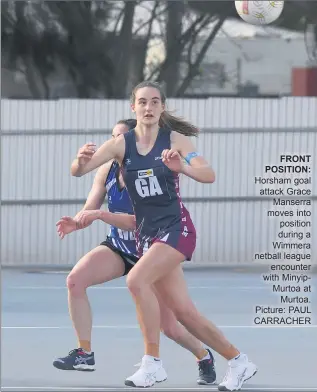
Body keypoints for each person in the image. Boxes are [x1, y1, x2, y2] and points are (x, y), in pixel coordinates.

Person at [70, 82, 258, 391]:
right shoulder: (121, 144)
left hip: (176, 228)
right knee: (183, 313)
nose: (148, 107)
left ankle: (152, 363)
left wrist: (181, 167)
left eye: (154, 102)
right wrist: (79, 159)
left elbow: (209, 175)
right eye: (142, 102)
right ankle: (239, 361)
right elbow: (79, 171)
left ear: (161, 107)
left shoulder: (176, 141)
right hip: (148, 234)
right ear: (134, 107)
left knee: (135, 281)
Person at [53, 118, 217, 386]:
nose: (116, 143)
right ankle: (84, 353)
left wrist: (100, 215)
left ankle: (203, 355)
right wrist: (77, 219)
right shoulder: (105, 171)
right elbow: (90, 205)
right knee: (75, 280)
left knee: (171, 328)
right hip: (119, 248)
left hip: (152, 250)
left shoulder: (150, 171)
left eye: (122, 138)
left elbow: (137, 222)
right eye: (113, 138)